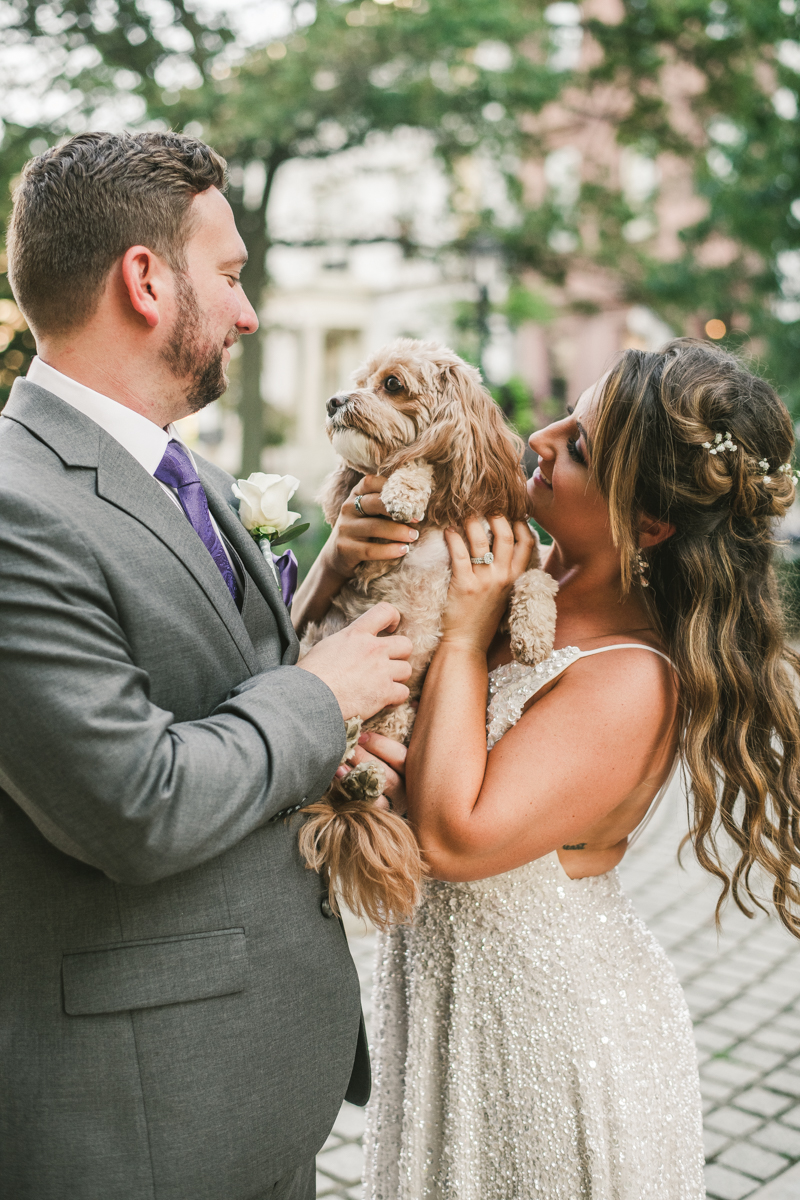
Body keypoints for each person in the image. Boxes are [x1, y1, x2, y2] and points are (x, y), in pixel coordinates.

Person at [0, 130, 414, 1200]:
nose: (248, 311)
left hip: (256, 1073)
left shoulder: (191, 473)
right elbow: (133, 803)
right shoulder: (15, 508)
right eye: (229, 275)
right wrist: (323, 696)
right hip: (142, 1116)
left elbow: (226, 667)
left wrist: (321, 610)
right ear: (144, 279)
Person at [300, 339, 800, 1198]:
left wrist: (461, 634)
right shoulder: (521, 580)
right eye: (567, 412)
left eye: (579, 446)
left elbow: (454, 837)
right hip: (449, 1008)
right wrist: (339, 561)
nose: (539, 435)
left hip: (545, 1039)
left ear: (649, 524)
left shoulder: (632, 677)